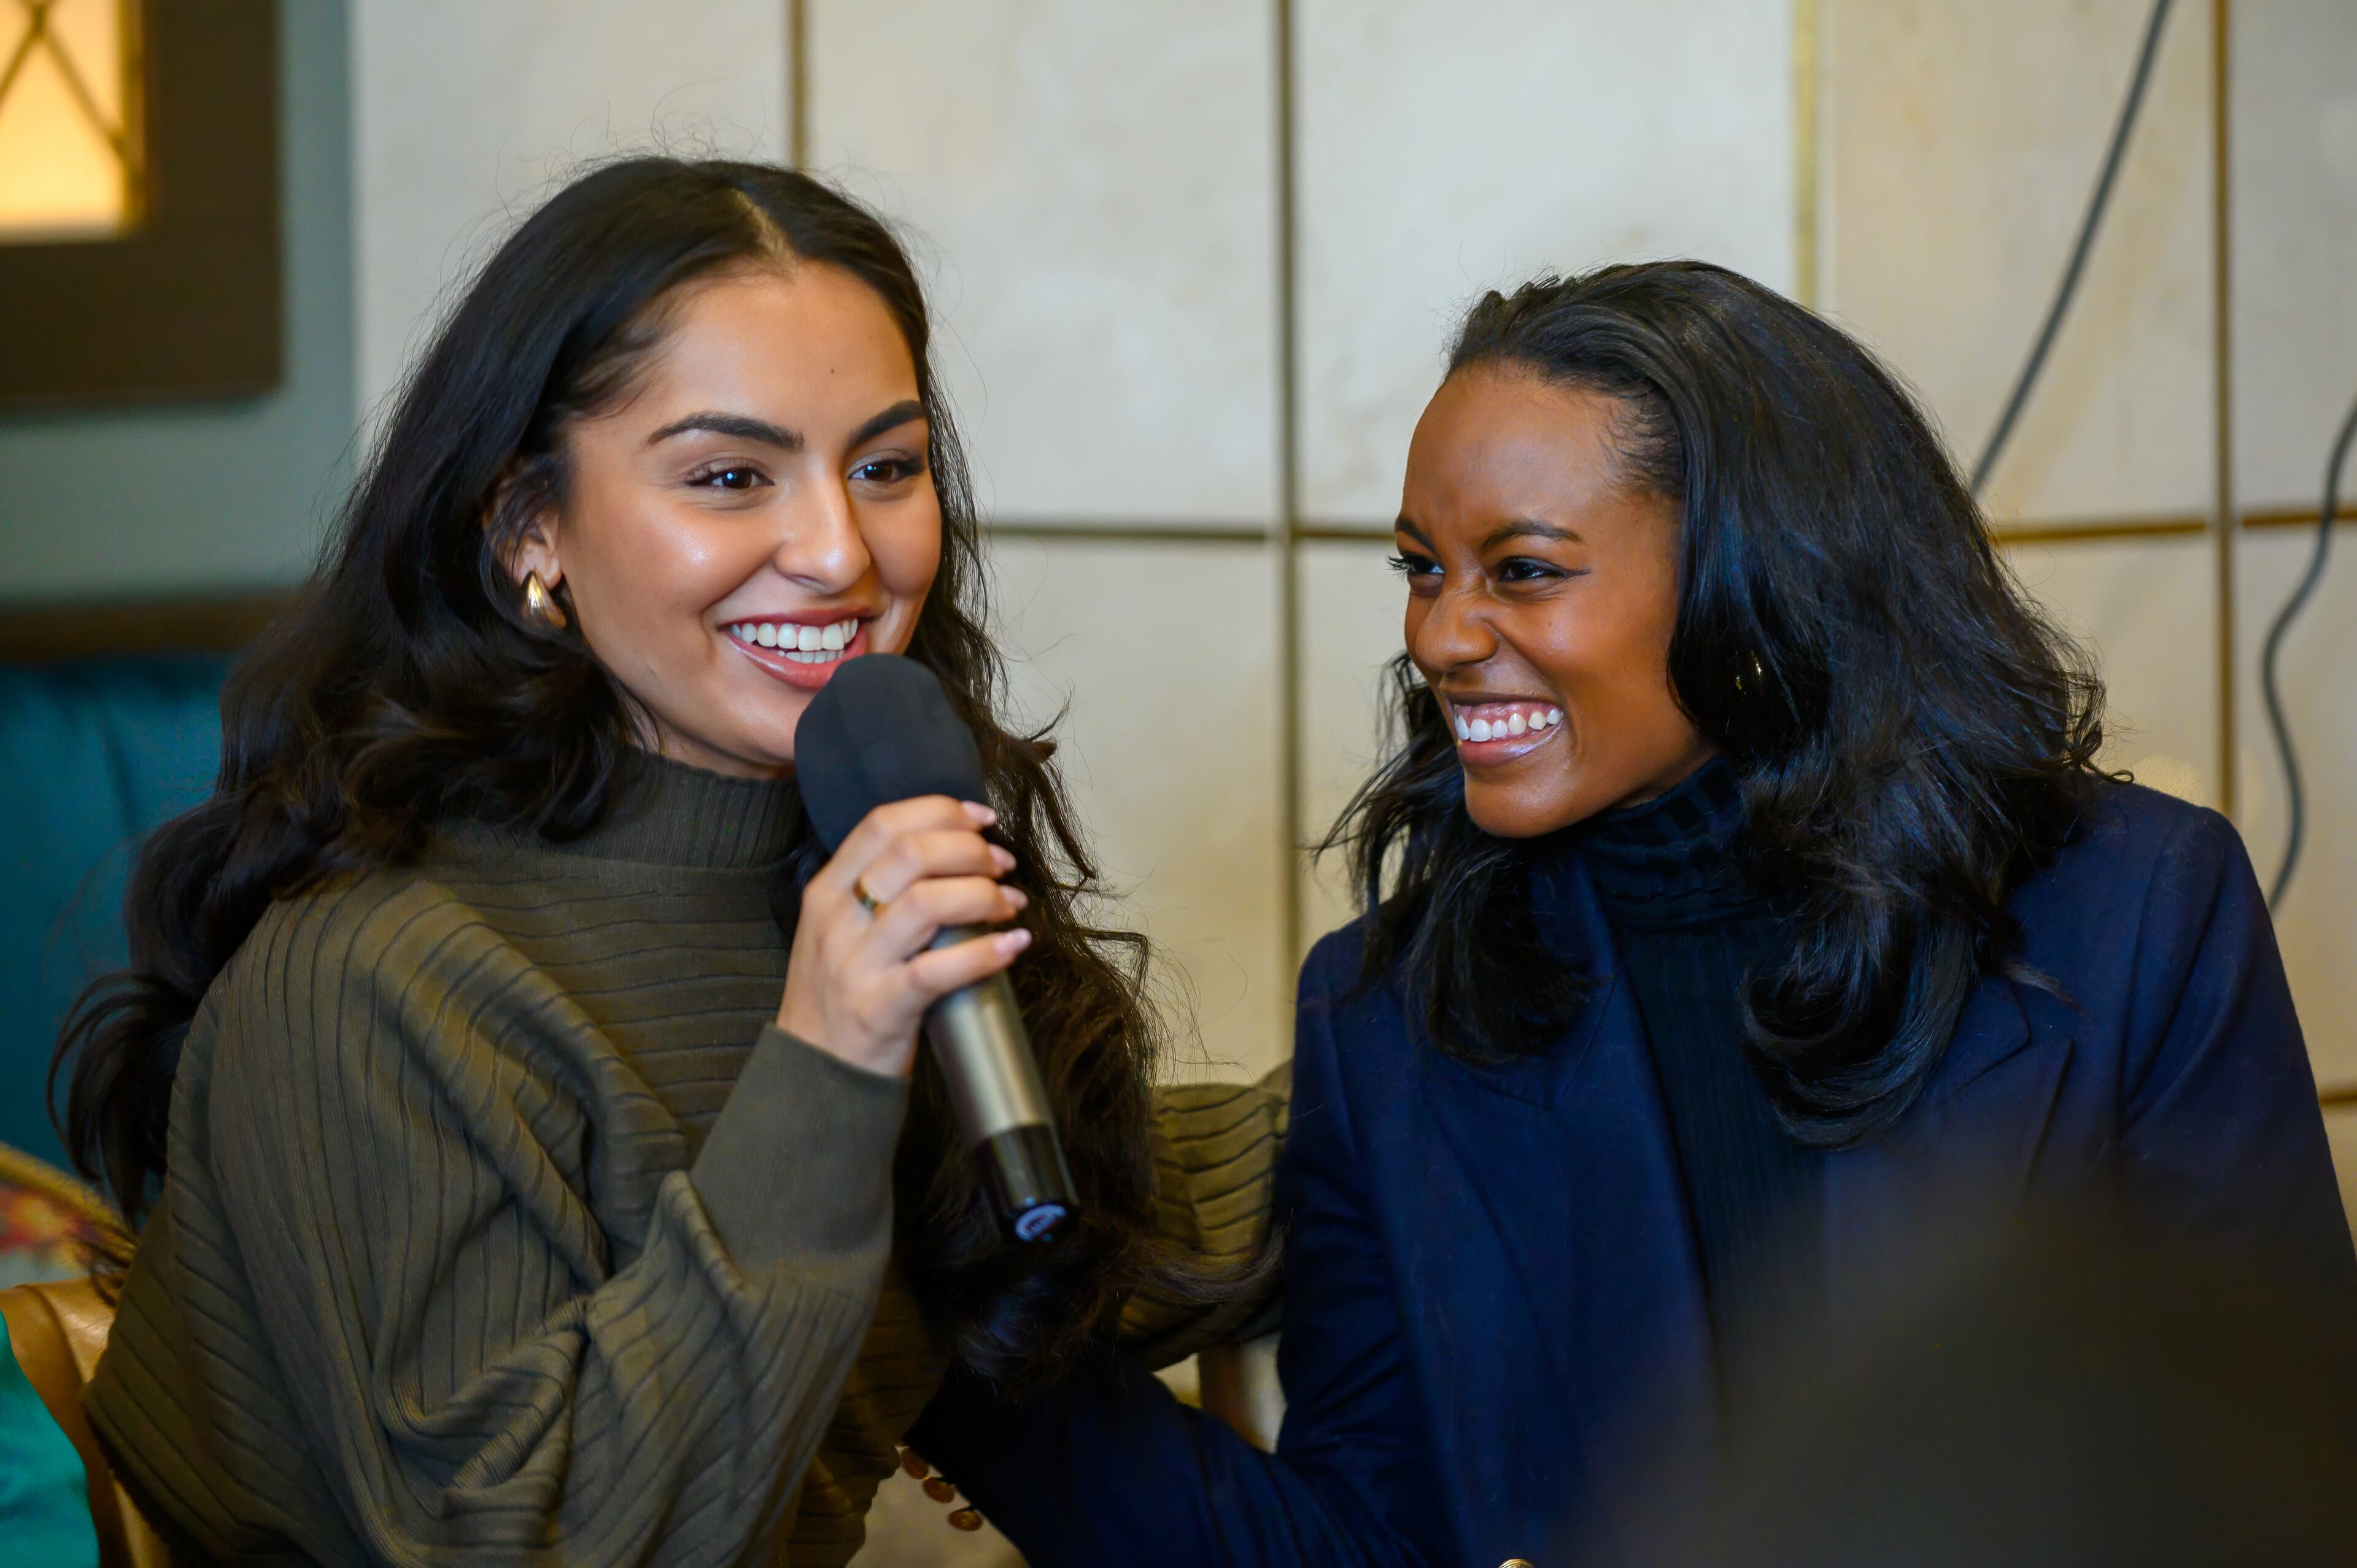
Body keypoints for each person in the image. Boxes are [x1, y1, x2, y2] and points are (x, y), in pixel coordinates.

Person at [906, 261, 2357, 1566]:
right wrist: (949, 1360)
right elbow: (1366, 1543)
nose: (1439, 637)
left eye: (1522, 571)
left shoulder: (2136, 909)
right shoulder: (1393, 1014)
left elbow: (2285, 1471)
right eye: (1422, 569)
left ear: (1759, 579)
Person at [50, 157, 1266, 1566]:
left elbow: (1099, 1221)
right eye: (730, 476)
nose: (838, 552)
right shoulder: (370, 982)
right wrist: (826, 1061)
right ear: (531, 530)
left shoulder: (833, 872)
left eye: (886, 467)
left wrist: (1521, 1007)